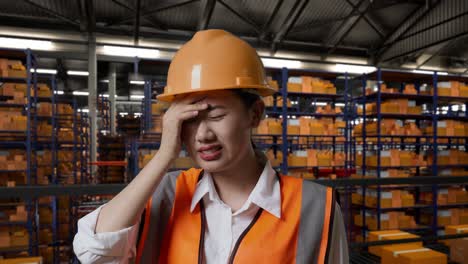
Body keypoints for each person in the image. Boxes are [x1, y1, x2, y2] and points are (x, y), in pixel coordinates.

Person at [73, 29, 349, 264]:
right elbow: (92, 250)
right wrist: (162, 157)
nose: (202, 134)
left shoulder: (314, 207)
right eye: (190, 120)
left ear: (255, 113)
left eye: (216, 115)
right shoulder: (165, 195)